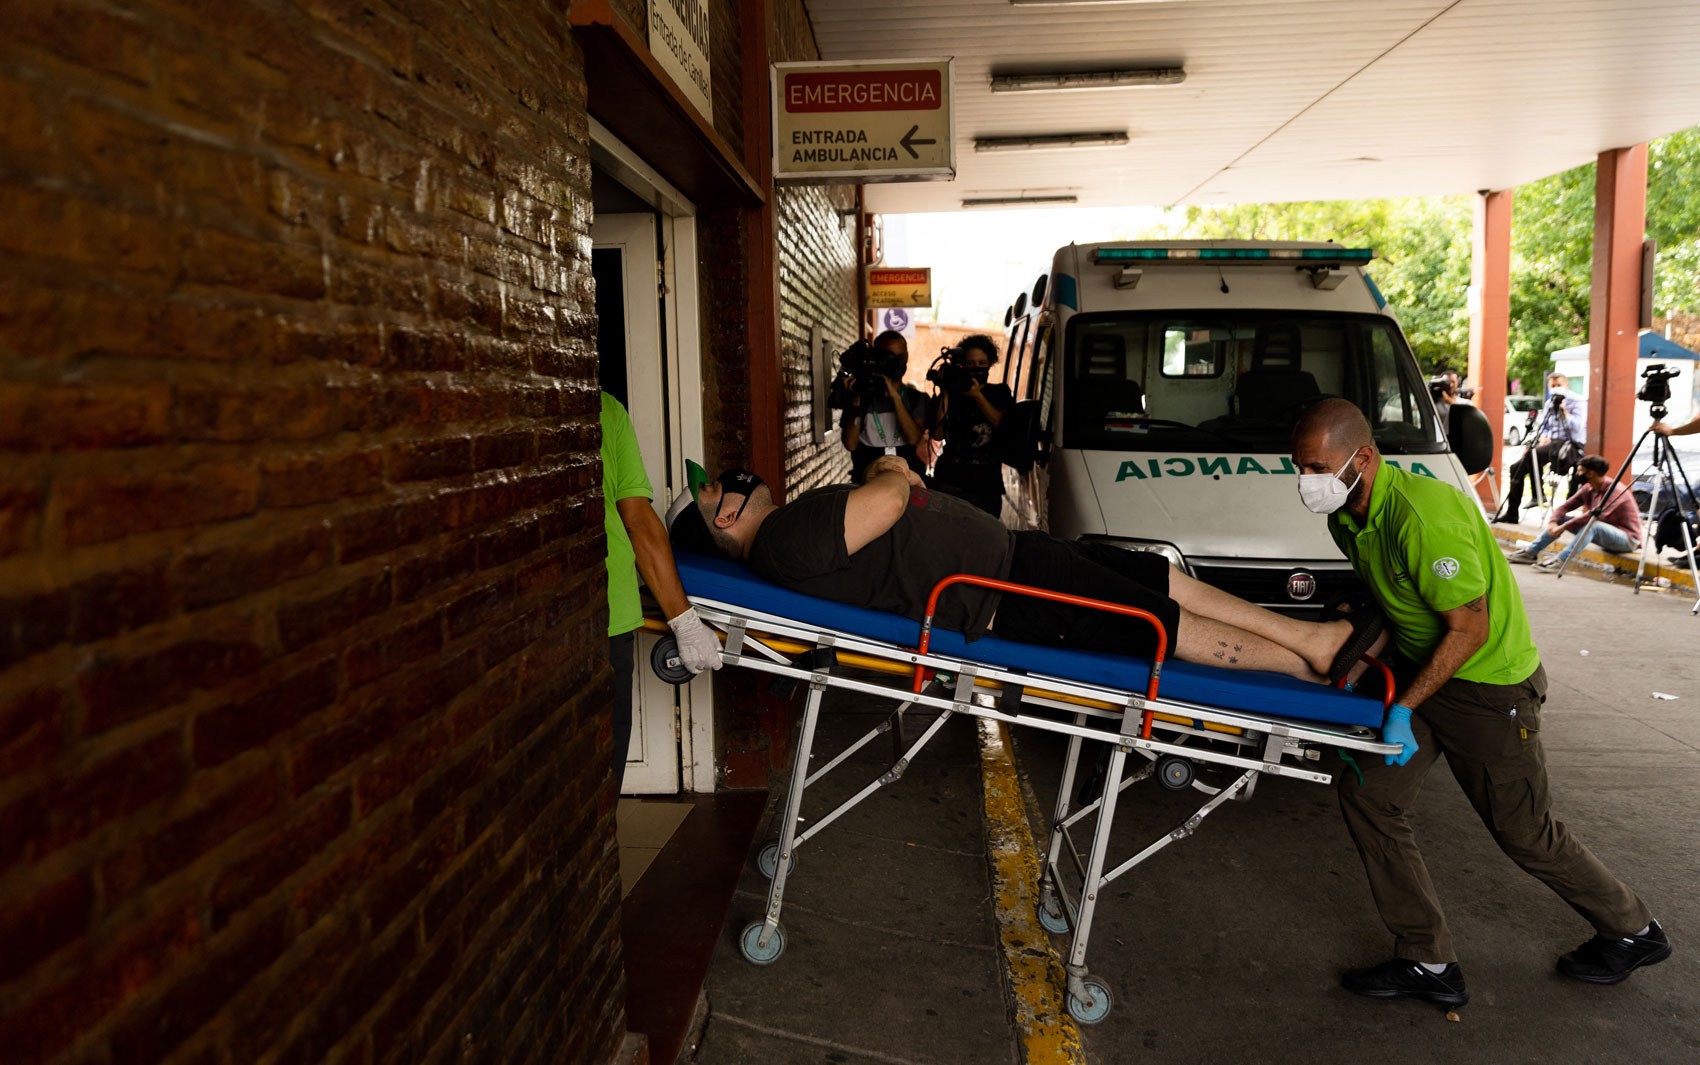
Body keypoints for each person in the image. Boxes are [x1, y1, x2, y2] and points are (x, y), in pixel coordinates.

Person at [1290, 399, 1669, 1009]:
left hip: (1490, 687)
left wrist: (1401, 709)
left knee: (1524, 831)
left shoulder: (1424, 515)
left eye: (1316, 467)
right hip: (1427, 676)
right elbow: (1395, 598)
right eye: (1299, 467)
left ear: (1361, 458)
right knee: (1369, 797)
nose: (1306, 481)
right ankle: (1428, 959)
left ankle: (1633, 930)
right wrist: (1355, 657)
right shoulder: (1347, 517)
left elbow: (1469, 629)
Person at [666, 456, 1385, 686]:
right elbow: (885, 502)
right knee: (1155, 620)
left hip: (1014, 561)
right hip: (1003, 595)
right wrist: (890, 468)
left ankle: (1306, 636)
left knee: (1159, 580)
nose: (729, 480)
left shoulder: (785, 531)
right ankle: (1309, 660)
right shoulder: (780, 540)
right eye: (714, 489)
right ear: (722, 519)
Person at [601, 393, 721, 788]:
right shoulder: (604, 408)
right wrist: (685, 622)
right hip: (608, 607)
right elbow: (636, 519)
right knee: (603, 766)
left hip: (601, 607)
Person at [1505, 454, 1643, 570]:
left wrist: (1563, 527)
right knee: (1563, 519)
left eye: (1580, 471)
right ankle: (1531, 553)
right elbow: (1563, 508)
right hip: (1607, 537)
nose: (1577, 474)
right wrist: (1553, 523)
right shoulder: (1589, 488)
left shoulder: (1615, 490)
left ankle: (1561, 560)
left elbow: (1594, 515)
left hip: (1628, 540)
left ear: (1590, 473)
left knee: (1593, 525)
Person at [929, 334, 1013, 516]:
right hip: (950, 483)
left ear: (990, 364)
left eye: (982, 363)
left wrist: (978, 396)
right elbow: (937, 435)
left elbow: (1003, 425)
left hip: (987, 485)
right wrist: (945, 392)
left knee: (986, 532)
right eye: (970, 363)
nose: (976, 368)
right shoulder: (951, 393)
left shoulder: (1000, 392)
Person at [1495, 371, 1586, 524]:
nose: (1556, 388)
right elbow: (1545, 426)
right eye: (1553, 386)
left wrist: (1564, 412)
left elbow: (1578, 428)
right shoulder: (1549, 403)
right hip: (1551, 444)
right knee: (1517, 467)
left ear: (1566, 385)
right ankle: (1513, 512)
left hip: (1571, 445)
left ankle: (1543, 499)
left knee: (1534, 455)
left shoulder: (1577, 401)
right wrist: (1544, 436)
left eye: (1559, 385)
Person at [840, 330, 931, 482]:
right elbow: (850, 444)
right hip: (868, 480)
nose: (897, 362)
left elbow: (914, 439)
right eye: (890, 356)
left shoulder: (917, 398)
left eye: (901, 357)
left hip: (908, 480)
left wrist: (895, 398)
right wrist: (856, 401)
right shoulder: (862, 395)